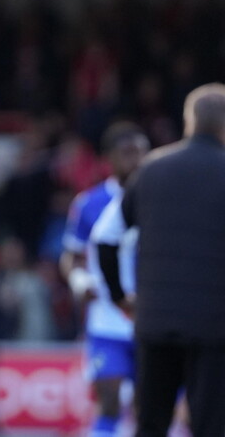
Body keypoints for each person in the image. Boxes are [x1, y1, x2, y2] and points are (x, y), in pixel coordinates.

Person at [102, 83, 225, 436]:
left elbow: (106, 238)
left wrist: (119, 296)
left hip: (155, 320)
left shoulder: (151, 169)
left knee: (151, 424)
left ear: (189, 121)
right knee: (210, 427)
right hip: (214, 326)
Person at [59, 121, 149, 437]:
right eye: (127, 153)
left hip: (149, 318)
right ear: (108, 158)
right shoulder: (90, 203)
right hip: (107, 320)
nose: (136, 161)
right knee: (108, 401)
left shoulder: (160, 201)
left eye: (141, 153)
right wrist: (79, 280)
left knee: (148, 408)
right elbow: (71, 256)